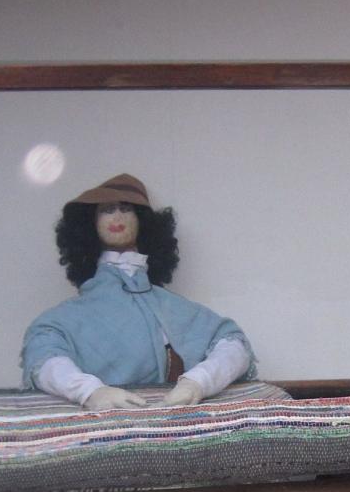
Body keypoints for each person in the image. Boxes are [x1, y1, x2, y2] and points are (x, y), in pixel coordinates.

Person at [21, 172, 254, 412]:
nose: (117, 216)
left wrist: (199, 381)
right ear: (91, 223)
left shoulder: (172, 307)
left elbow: (234, 345)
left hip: (171, 424)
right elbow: (42, 356)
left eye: (126, 208)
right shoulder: (63, 320)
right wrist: (89, 391)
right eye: (107, 210)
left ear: (143, 220)